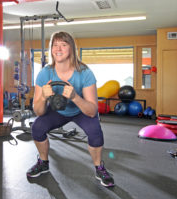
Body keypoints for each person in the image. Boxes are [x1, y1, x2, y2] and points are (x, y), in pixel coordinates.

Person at [26, 31, 114, 187]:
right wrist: (43, 98)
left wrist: (75, 97)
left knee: (95, 132)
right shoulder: (45, 73)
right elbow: (38, 111)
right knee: (37, 127)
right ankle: (43, 162)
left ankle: (99, 167)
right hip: (58, 111)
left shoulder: (85, 73)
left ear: (71, 49)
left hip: (81, 111)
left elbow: (92, 111)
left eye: (63, 45)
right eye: (55, 45)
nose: (58, 49)